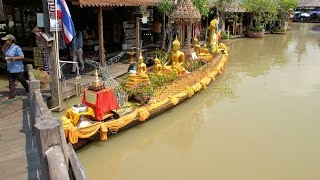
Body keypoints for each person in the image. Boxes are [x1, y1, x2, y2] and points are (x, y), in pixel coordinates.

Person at [1, 34, 29, 99]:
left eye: (6, 40)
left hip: (17, 68)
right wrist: (3, 50)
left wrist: (12, 58)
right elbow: (5, 56)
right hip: (10, 68)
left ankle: (28, 89)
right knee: (11, 82)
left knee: (21, 80)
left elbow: (22, 56)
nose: (5, 41)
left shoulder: (17, 48)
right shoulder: (7, 48)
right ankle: (11, 95)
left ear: (10, 41)